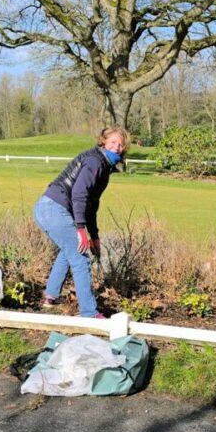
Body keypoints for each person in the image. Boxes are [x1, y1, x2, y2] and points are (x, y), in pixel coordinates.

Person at [33, 127, 130, 318]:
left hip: (49, 208)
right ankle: (89, 314)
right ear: (103, 142)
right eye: (112, 142)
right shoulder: (95, 161)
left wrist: (94, 236)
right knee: (80, 257)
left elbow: (91, 205)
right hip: (54, 208)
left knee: (68, 250)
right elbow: (79, 194)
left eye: (120, 145)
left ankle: (50, 297)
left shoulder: (104, 165)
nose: (116, 147)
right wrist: (80, 229)